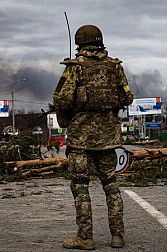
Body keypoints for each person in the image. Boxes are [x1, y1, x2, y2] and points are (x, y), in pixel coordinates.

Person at [53, 24, 134, 250]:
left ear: (80, 42)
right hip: (108, 137)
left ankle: (85, 237)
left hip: (80, 139)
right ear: (100, 41)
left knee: (80, 186)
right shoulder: (115, 67)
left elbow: (62, 99)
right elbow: (127, 98)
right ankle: (117, 235)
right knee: (111, 184)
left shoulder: (75, 68)